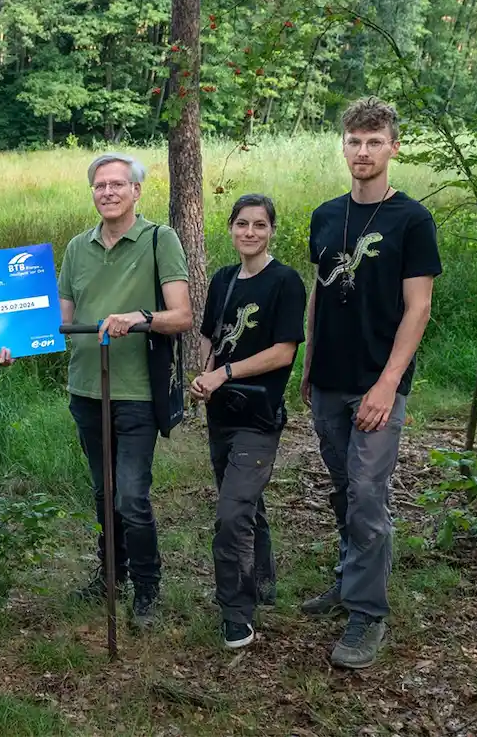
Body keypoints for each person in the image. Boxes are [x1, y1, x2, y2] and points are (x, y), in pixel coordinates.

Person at [299, 96, 441, 669]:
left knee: (367, 493)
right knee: (343, 489)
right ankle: (348, 578)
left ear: (392, 147)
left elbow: (419, 308)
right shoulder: (327, 215)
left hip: (377, 381)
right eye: (354, 141)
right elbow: (319, 290)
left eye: (374, 141)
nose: (363, 151)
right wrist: (308, 362)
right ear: (344, 146)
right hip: (329, 376)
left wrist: (388, 385)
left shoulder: (412, 219)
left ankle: (367, 613)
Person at [58, 152, 192, 628]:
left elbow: (182, 316)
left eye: (118, 184)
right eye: (100, 185)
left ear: (136, 191)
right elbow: (62, 319)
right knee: (102, 490)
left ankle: (148, 587)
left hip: (135, 390)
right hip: (87, 389)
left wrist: (141, 318)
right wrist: (11, 340)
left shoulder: (160, 239)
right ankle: (110, 574)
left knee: (130, 494)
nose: (108, 192)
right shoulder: (77, 246)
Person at [189, 194, 306, 650]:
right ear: (231, 228)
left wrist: (226, 373)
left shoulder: (285, 282)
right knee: (245, 501)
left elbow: (284, 351)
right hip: (221, 414)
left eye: (259, 224)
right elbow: (208, 337)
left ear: (271, 229)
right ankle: (263, 579)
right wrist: (204, 376)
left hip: (259, 415)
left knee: (233, 511)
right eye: (242, 224)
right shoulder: (222, 280)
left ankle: (236, 612)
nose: (250, 232)